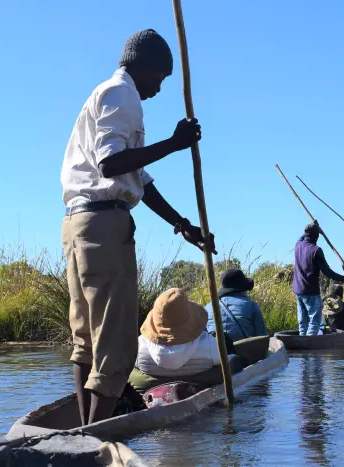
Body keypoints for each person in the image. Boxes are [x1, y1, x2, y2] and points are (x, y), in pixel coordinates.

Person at [60, 29, 216, 425]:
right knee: (116, 344)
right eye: (160, 78)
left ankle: (84, 430)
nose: (159, 89)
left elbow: (138, 181)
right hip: (105, 226)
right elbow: (111, 165)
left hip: (79, 223)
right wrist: (174, 143)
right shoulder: (122, 93)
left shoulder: (105, 95)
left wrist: (183, 225)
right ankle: (98, 437)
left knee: (87, 343)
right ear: (145, 67)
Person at [293, 222, 344, 336]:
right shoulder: (316, 250)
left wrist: (313, 227)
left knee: (303, 318)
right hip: (310, 291)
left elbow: (302, 237)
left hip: (298, 289)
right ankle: (309, 342)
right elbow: (327, 272)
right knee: (314, 320)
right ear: (317, 236)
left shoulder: (298, 245)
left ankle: (302, 338)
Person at [205, 268, 267, 342]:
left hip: (213, 351)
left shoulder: (208, 307)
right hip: (242, 352)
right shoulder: (252, 305)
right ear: (243, 289)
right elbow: (262, 338)